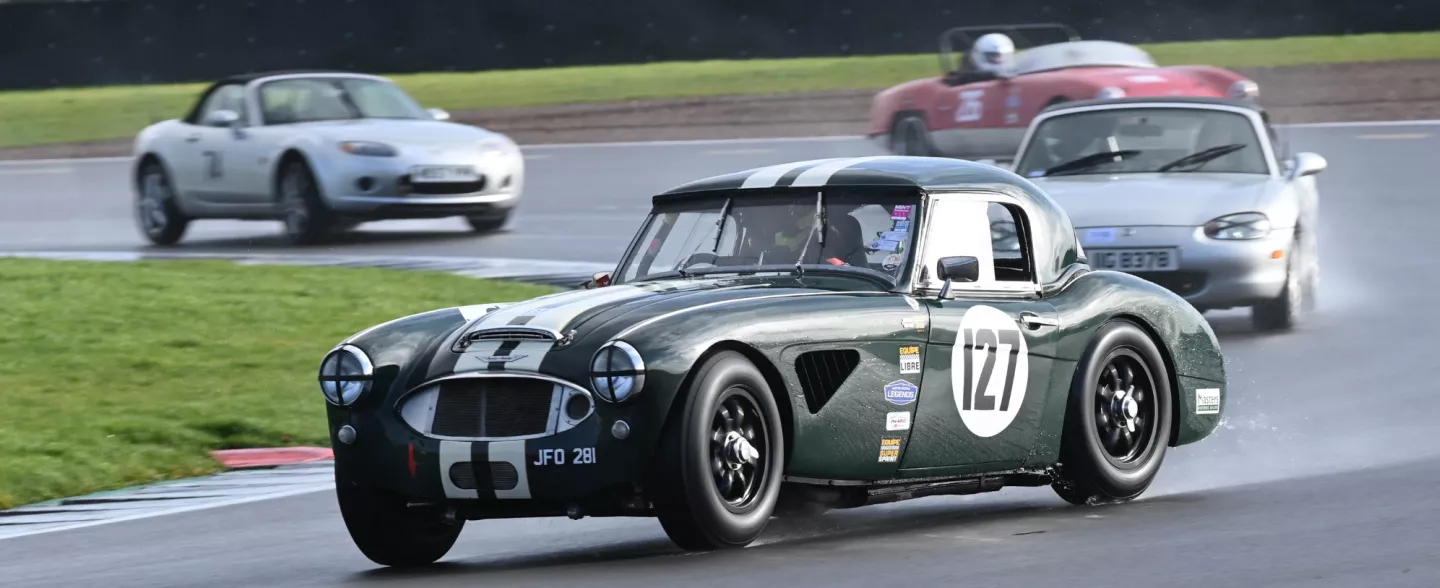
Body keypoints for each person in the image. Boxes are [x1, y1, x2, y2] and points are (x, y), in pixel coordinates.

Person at [946, 32, 1017, 85]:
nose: (998, 59)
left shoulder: (1017, 75)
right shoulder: (965, 79)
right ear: (978, 56)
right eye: (992, 56)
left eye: (1002, 56)